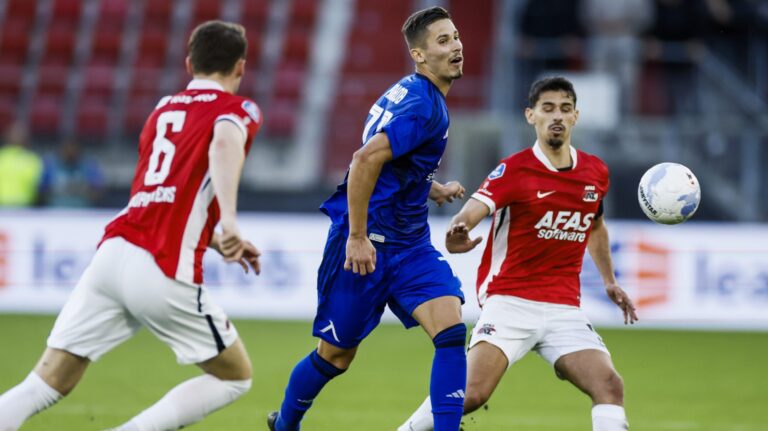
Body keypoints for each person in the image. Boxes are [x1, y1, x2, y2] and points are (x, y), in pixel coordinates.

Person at [0, 20, 263, 430]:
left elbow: (164, 196)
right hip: (162, 265)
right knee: (235, 376)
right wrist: (229, 222)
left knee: (48, 380)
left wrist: (211, 237)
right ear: (241, 68)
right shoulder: (237, 109)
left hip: (113, 254)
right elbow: (226, 141)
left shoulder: (162, 110)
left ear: (189, 62)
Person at [399, 77, 638, 431]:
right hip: (510, 300)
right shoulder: (515, 170)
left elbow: (596, 224)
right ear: (531, 116)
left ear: (576, 117)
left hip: (564, 308)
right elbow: (474, 209)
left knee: (609, 385)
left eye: (565, 108)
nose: (557, 116)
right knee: (470, 394)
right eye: (548, 108)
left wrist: (609, 280)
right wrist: (458, 229)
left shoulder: (595, 172)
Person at [268, 7, 468, 431]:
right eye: (443, 41)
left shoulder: (414, 92)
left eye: (455, 37)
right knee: (335, 356)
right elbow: (364, 160)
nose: (456, 47)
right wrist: (358, 236)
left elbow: (394, 164)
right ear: (419, 54)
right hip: (368, 245)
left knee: (450, 331)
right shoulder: (421, 105)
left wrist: (433, 187)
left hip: (410, 245)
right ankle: (285, 424)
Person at [39, 138, 105, 207]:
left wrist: (82, 191)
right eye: (67, 149)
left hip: (83, 210)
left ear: (79, 151)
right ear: (61, 150)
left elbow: (98, 190)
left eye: (74, 149)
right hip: (56, 210)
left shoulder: (89, 166)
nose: (70, 152)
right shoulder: (51, 165)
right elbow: (42, 190)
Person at [0, 123, 43, 207]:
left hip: (25, 209)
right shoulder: (1, 157)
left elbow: (39, 187)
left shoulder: (33, 160)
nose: (17, 137)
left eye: (20, 135)